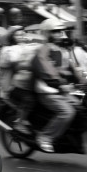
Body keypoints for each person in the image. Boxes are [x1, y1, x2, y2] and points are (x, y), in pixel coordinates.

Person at [31, 18, 79, 153]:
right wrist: (58, 83)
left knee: (82, 107)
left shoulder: (63, 51)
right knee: (67, 112)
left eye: (60, 31)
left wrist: (86, 81)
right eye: (56, 31)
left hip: (62, 90)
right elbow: (45, 69)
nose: (60, 34)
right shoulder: (43, 50)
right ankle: (45, 137)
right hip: (47, 91)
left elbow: (72, 68)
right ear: (47, 33)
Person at [0, 26, 41, 133]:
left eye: (23, 34)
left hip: (28, 82)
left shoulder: (27, 47)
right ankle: (20, 121)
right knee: (28, 100)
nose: (21, 36)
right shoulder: (7, 49)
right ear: (12, 37)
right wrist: (25, 50)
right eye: (18, 35)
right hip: (12, 84)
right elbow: (12, 60)